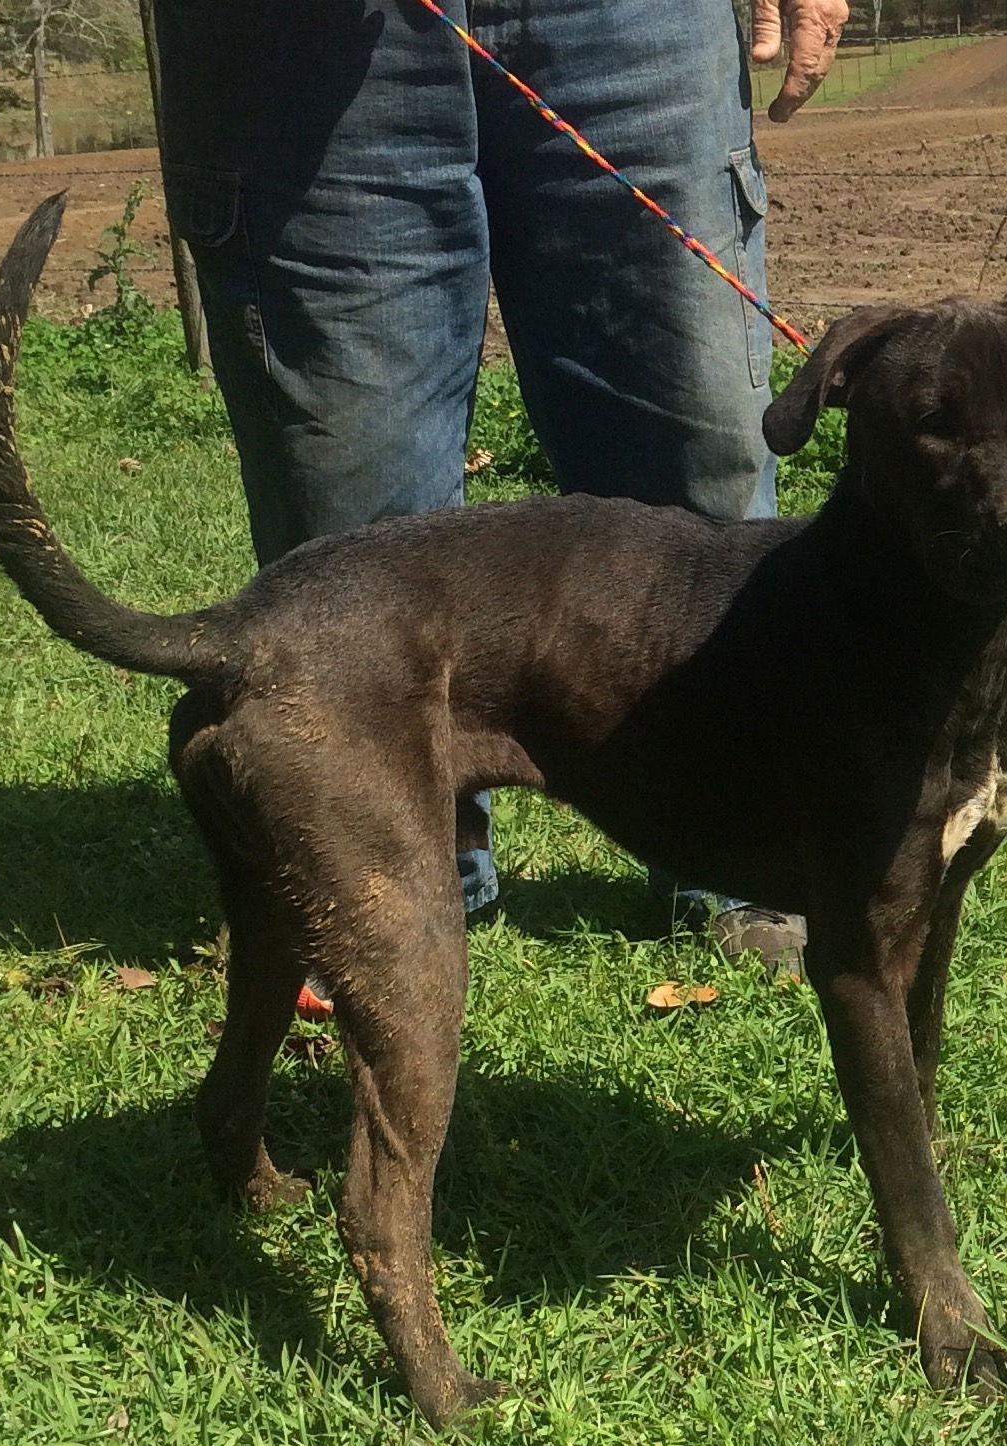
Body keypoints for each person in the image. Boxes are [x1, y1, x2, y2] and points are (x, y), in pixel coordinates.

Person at [151, 0, 847, 974]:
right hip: (285, 47)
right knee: (347, 499)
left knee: (700, 459)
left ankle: (733, 849)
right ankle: (384, 866)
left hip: (631, 22)